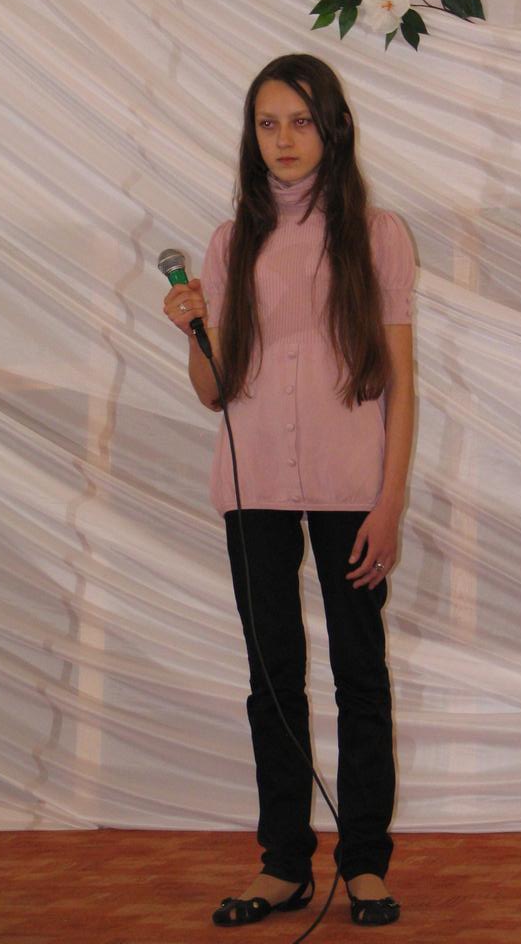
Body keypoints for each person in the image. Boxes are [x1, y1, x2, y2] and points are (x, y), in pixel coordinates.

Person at [163, 54, 415, 928]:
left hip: (352, 486)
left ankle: (366, 864)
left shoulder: (378, 234)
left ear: (332, 128)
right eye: (268, 123)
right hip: (255, 483)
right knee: (271, 677)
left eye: (301, 121)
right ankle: (283, 865)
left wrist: (390, 503)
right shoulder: (231, 243)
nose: (284, 139)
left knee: (359, 675)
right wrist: (193, 332)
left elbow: (400, 385)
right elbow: (215, 390)